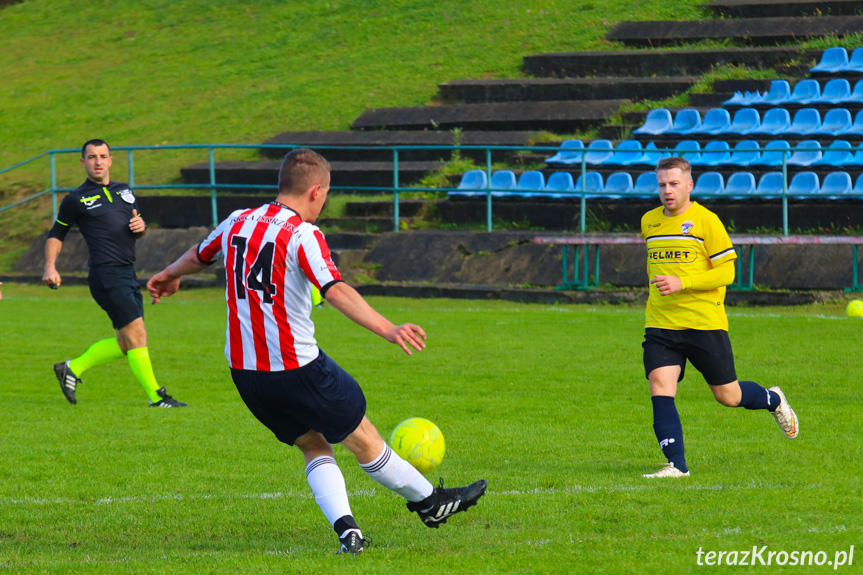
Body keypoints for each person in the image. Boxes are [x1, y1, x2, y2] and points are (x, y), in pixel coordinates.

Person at [146, 148, 486, 554]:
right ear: (316, 191)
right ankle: (430, 502)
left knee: (313, 444)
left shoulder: (237, 221)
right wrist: (388, 328)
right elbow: (335, 289)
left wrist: (168, 274)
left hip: (247, 374)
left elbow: (200, 255)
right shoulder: (302, 234)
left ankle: (348, 532)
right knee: (363, 436)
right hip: (298, 368)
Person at [640, 156, 798, 478]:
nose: (667, 191)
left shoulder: (707, 221)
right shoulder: (649, 222)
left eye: (673, 184)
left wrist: (683, 282)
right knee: (660, 384)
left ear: (689, 185)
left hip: (704, 324)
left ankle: (772, 398)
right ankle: (677, 466)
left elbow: (727, 271)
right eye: (662, 185)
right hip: (661, 323)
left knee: (728, 395)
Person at [42, 139, 186, 408]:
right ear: (83, 162)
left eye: (103, 156)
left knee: (126, 341)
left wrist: (141, 226)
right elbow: (56, 234)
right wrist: (50, 266)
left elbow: (138, 229)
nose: (98, 161)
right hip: (106, 276)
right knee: (138, 335)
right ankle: (157, 397)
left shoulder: (125, 191)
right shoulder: (75, 199)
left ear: (111, 161)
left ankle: (71, 368)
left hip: (127, 273)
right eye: (92, 157)